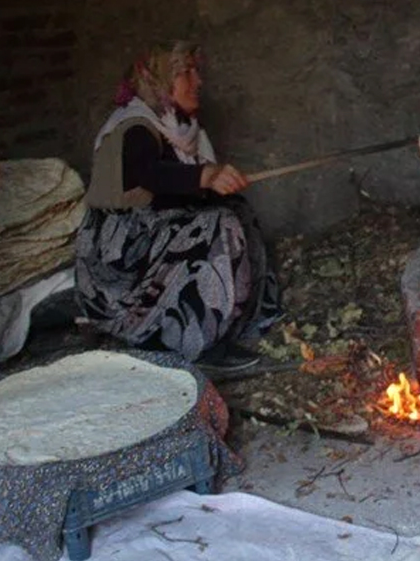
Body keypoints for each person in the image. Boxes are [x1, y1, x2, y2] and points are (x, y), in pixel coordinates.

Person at [76, 41, 283, 372]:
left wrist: (213, 184)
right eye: (186, 73)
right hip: (119, 269)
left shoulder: (177, 127)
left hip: (150, 240)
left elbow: (175, 192)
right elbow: (146, 172)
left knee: (235, 209)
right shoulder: (134, 127)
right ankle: (194, 343)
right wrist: (205, 175)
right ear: (158, 81)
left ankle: (241, 317)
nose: (197, 81)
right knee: (218, 225)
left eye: (195, 71)